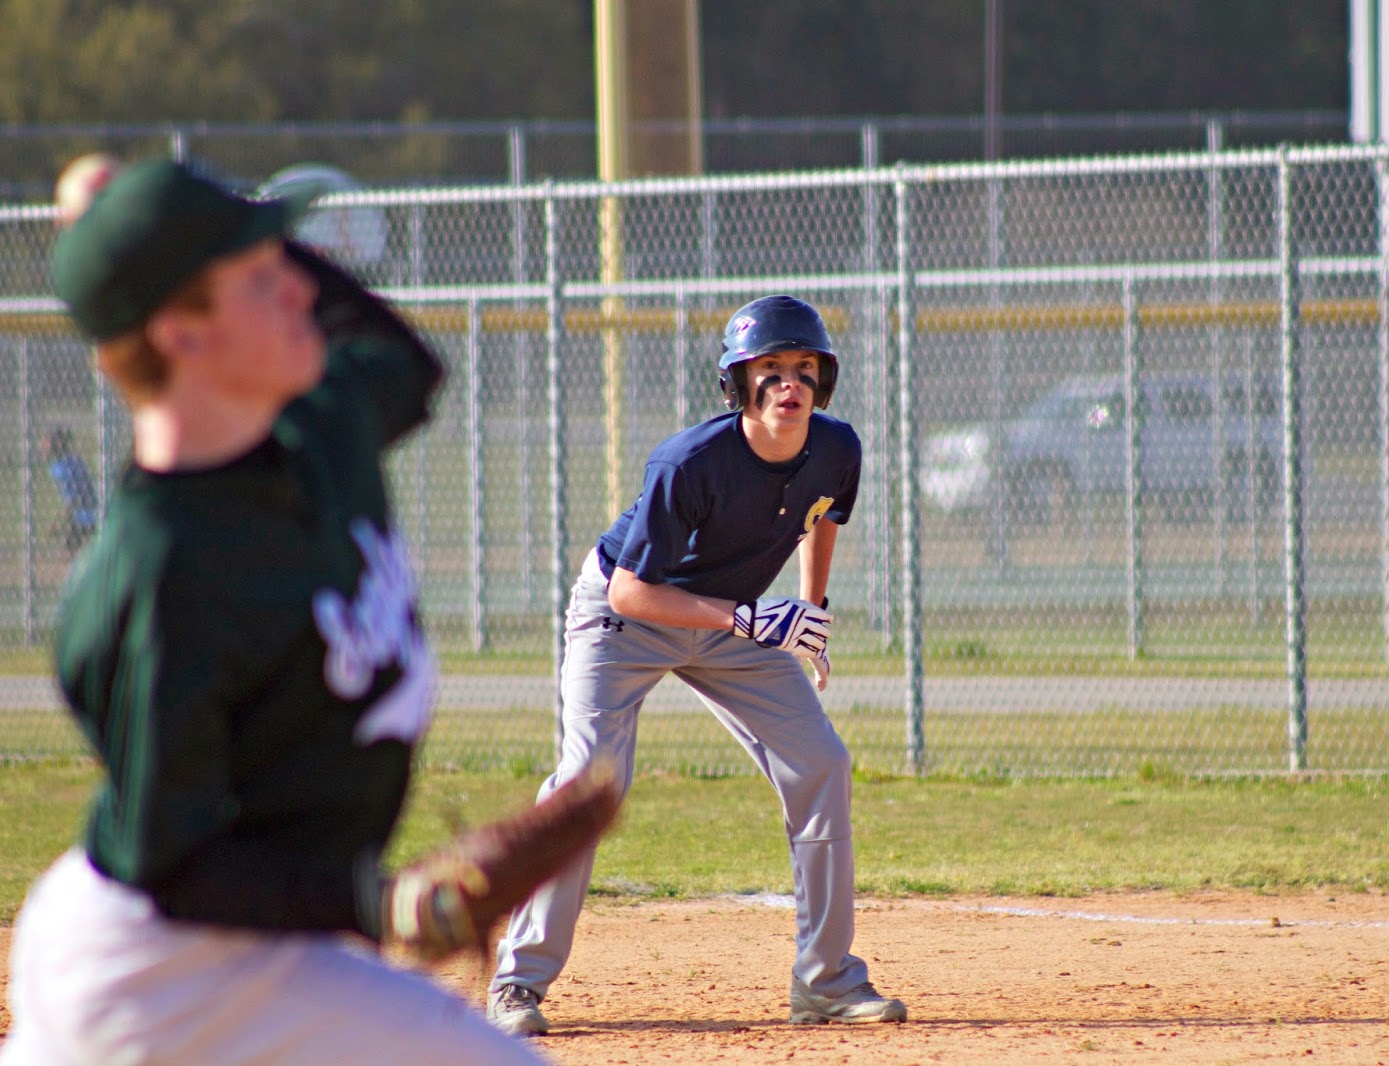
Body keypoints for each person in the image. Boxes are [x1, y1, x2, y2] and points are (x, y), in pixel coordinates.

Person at [0, 158, 552, 1065]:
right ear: (181, 330)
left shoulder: (323, 426)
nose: (299, 285)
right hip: (155, 968)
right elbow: (172, 862)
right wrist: (380, 903)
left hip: (259, 947)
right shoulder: (159, 578)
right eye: (259, 278)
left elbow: (404, 360)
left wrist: (206, 229)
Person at [486, 294, 907, 1034]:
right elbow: (630, 589)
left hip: (731, 620)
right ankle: (517, 985)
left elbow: (822, 517)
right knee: (588, 784)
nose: (789, 383)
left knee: (821, 763)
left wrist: (809, 617)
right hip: (625, 616)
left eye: (804, 367)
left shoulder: (837, 449)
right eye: (769, 368)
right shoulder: (690, 462)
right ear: (737, 384)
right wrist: (745, 618)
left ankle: (827, 982)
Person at [43, 426, 97, 556]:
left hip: (83, 517)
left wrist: (56, 524)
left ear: (56, 444)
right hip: (94, 513)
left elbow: (72, 501)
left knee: (67, 554)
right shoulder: (77, 460)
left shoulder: (59, 469)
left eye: (46, 442)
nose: (42, 445)